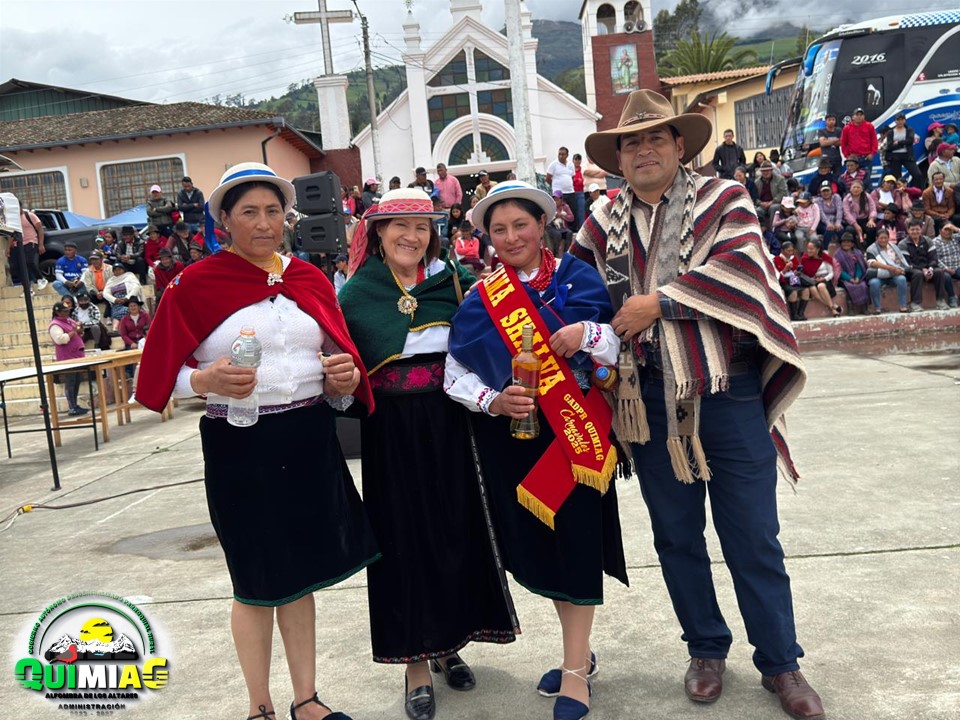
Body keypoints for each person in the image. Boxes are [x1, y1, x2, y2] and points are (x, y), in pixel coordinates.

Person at [576, 89, 823, 720]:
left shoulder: (724, 198)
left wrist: (654, 301)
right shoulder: (601, 219)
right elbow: (572, 286)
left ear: (681, 146)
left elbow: (741, 269)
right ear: (619, 157)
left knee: (753, 536)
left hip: (726, 390)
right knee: (677, 537)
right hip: (647, 398)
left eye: (657, 138)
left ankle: (781, 662)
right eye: (632, 142)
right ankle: (706, 649)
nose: (644, 150)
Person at [137, 161, 378, 720]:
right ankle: (259, 706)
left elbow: (333, 359)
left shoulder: (309, 280)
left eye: (274, 211)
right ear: (224, 220)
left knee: (300, 575)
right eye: (249, 212)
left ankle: (307, 699)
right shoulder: (195, 285)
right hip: (239, 444)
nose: (265, 223)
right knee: (254, 578)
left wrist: (344, 379)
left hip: (308, 438)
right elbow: (154, 376)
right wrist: (202, 380)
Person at [446, 181, 627, 720]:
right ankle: (580, 654)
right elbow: (455, 372)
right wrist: (493, 400)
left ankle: (575, 673)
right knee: (548, 553)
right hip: (518, 437)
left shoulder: (577, 276)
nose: (509, 237)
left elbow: (617, 344)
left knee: (575, 546)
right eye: (497, 230)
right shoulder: (482, 298)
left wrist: (584, 334)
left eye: (519, 225)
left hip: (577, 434)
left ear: (541, 224)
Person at [338, 188, 517, 720]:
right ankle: (415, 662)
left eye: (420, 227)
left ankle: (448, 643)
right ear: (376, 234)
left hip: (451, 422)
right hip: (390, 429)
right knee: (402, 539)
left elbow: (477, 350)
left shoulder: (451, 283)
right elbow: (345, 373)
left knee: (453, 530)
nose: (410, 236)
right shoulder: (356, 294)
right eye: (399, 227)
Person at [48, 301, 88, 416]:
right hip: (67, 357)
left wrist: (79, 331)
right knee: (70, 381)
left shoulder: (70, 320)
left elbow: (77, 331)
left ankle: (75, 405)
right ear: (58, 312)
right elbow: (60, 340)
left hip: (77, 355)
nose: (67, 312)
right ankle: (72, 406)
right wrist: (73, 332)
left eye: (68, 310)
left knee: (77, 380)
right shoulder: (55, 324)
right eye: (64, 311)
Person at [900, 219, 950, 311]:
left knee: (939, 272)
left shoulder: (928, 241)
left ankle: (940, 301)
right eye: (912, 229)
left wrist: (930, 269)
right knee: (917, 273)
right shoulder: (903, 244)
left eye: (917, 229)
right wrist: (923, 270)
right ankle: (915, 303)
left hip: (928, 268)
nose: (915, 232)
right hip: (911, 270)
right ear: (908, 230)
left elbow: (934, 258)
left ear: (921, 229)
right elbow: (906, 264)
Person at [865, 227, 911, 313]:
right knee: (874, 283)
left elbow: (899, 262)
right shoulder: (871, 249)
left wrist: (898, 269)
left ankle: (903, 306)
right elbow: (872, 264)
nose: (883, 240)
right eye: (881, 238)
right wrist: (890, 268)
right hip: (879, 275)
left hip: (893, 275)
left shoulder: (893, 248)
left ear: (888, 238)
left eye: (885, 238)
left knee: (902, 279)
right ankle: (877, 308)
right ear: (876, 238)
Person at [9, 206, 46, 291]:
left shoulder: (29, 216)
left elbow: (40, 229)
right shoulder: (12, 219)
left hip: (31, 241)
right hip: (17, 244)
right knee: (16, 267)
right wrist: (8, 247)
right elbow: (11, 233)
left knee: (29, 262)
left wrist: (41, 244)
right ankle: (28, 288)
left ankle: (41, 278)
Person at [840, 108, 878, 189]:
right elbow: (843, 143)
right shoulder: (847, 128)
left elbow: (874, 141)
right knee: (852, 180)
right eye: (857, 115)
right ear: (853, 117)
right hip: (853, 159)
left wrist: (872, 153)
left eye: (861, 115)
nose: (859, 117)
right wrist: (848, 156)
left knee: (866, 181)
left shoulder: (869, 126)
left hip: (866, 158)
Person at [882, 114, 923, 188]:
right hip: (894, 157)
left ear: (905, 120)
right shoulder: (891, 132)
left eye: (902, 119)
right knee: (897, 178)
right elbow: (890, 146)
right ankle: (897, 194)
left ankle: (915, 192)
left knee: (917, 174)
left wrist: (898, 142)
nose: (900, 122)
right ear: (895, 121)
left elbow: (910, 141)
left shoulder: (909, 129)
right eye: (898, 120)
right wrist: (904, 143)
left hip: (907, 155)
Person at [833, 232, 869, 313]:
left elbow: (860, 266)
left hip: (857, 277)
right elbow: (838, 270)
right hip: (843, 278)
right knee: (850, 287)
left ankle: (864, 308)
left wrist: (857, 277)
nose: (846, 244)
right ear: (841, 243)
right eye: (844, 242)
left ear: (852, 243)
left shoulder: (858, 253)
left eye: (848, 242)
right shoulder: (837, 254)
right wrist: (850, 279)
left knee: (863, 285)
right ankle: (851, 309)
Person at [103, 263, 142, 331]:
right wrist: (115, 299)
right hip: (117, 300)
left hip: (129, 299)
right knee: (116, 313)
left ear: (123, 270)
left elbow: (136, 287)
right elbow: (105, 293)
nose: (117, 271)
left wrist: (127, 297)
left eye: (119, 270)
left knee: (128, 309)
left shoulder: (129, 276)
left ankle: (131, 328)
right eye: (115, 270)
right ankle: (115, 329)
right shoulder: (111, 280)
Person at [842, 180, 877, 248]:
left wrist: (871, 219)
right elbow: (847, 213)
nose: (856, 189)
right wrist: (855, 224)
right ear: (850, 189)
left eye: (858, 187)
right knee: (850, 230)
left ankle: (870, 247)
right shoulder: (847, 199)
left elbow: (873, 208)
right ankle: (855, 248)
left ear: (862, 189)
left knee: (871, 228)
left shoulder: (867, 196)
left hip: (865, 219)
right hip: (852, 221)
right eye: (854, 187)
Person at [773, 241, 803, 320]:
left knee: (806, 290)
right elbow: (777, 276)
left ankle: (800, 313)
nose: (790, 253)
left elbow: (796, 270)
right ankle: (794, 315)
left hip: (794, 280)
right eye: (788, 251)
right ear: (782, 250)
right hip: (783, 281)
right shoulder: (777, 259)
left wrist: (796, 271)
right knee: (793, 292)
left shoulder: (793, 258)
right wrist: (785, 268)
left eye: (792, 251)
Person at [755, 161, 787, 230]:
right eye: (763, 171)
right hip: (762, 204)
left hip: (775, 202)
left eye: (768, 171)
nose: (766, 173)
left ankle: (773, 229)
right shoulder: (757, 182)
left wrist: (772, 201)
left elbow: (783, 193)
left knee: (774, 208)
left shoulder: (780, 179)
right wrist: (760, 203)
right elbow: (754, 196)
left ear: (771, 170)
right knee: (757, 211)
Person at [934, 223, 960, 307]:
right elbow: (935, 259)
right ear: (939, 231)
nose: (948, 232)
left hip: (957, 266)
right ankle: (952, 297)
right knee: (946, 277)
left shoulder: (955, 238)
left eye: (950, 230)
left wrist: (956, 228)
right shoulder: (935, 242)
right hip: (944, 269)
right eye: (946, 230)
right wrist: (946, 268)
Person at [815, 181, 845, 247]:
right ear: (820, 192)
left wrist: (838, 222)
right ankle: (824, 249)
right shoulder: (817, 200)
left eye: (827, 190)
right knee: (829, 230)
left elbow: (839, 210)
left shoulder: (837, 197)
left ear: (831, 190)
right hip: (823, 222)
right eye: (823, 191)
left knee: (840, 229)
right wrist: (828, 223)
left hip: (835, 219)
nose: (826, 193)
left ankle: (843, 248)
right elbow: (821, 213)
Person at [547, 190, 575, 257]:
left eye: (557, 199)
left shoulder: (565, 206)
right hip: (552, 227)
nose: (555, 201)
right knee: (557, 234)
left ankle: (566, 253)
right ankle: (555, 254)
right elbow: (547, 220)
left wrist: (562, 216)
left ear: (561, 199)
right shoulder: (550, 207)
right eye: (554, 199)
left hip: (562, 227)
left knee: (569, 233)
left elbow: (572, 218)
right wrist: (554, 217)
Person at [571, 153, 586, 231]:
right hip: (572, 193)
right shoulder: (570, 169)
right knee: (573, 211)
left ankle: (581, 229)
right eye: (576, 159)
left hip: (580, 193)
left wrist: (577, 181)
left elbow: (583, 181)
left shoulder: (582, 170)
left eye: (579, 159)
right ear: (573, 160)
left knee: (581, 211)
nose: (577, 161)